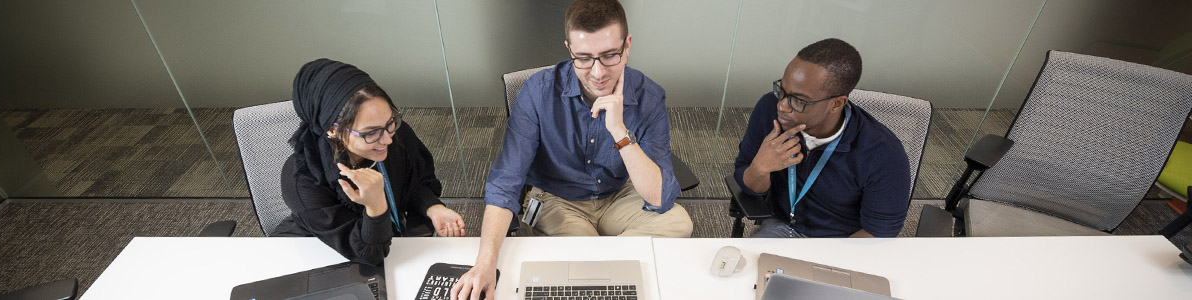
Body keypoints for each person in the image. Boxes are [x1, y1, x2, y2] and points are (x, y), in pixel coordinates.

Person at [451, 0, 693, 298]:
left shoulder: (649, 96)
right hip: (557, 198)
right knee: (585, 256)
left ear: (627, 46)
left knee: (680, 223)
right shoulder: (537, 92)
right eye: (584, 58)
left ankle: (593, 255)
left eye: (609, 55)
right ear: (569, 50)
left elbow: (659, 196)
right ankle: (607, 257)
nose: (597, 72)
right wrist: (485, 263)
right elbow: (505, 183)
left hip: (617, 194)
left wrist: (620, 133)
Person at [272, 58, 466, 266]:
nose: (388, 139)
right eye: (370, 133)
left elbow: (414, 182)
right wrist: (375, 206)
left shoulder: (392, 134)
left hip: (384, 244)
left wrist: (432, 207)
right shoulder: (303, 180)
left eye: (390, 122)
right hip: (315, 256)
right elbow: (368, 254)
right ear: (332, 129)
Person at [734, 38, 910, 238]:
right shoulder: (769, 110)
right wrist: (760, 168)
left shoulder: (883, 153)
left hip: (842, 243)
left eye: (799, 100)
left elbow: (879, 232)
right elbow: (747, 185)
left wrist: (824, 266)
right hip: (781, 227)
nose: (782, 105)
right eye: (782, 91)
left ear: (836, 104)